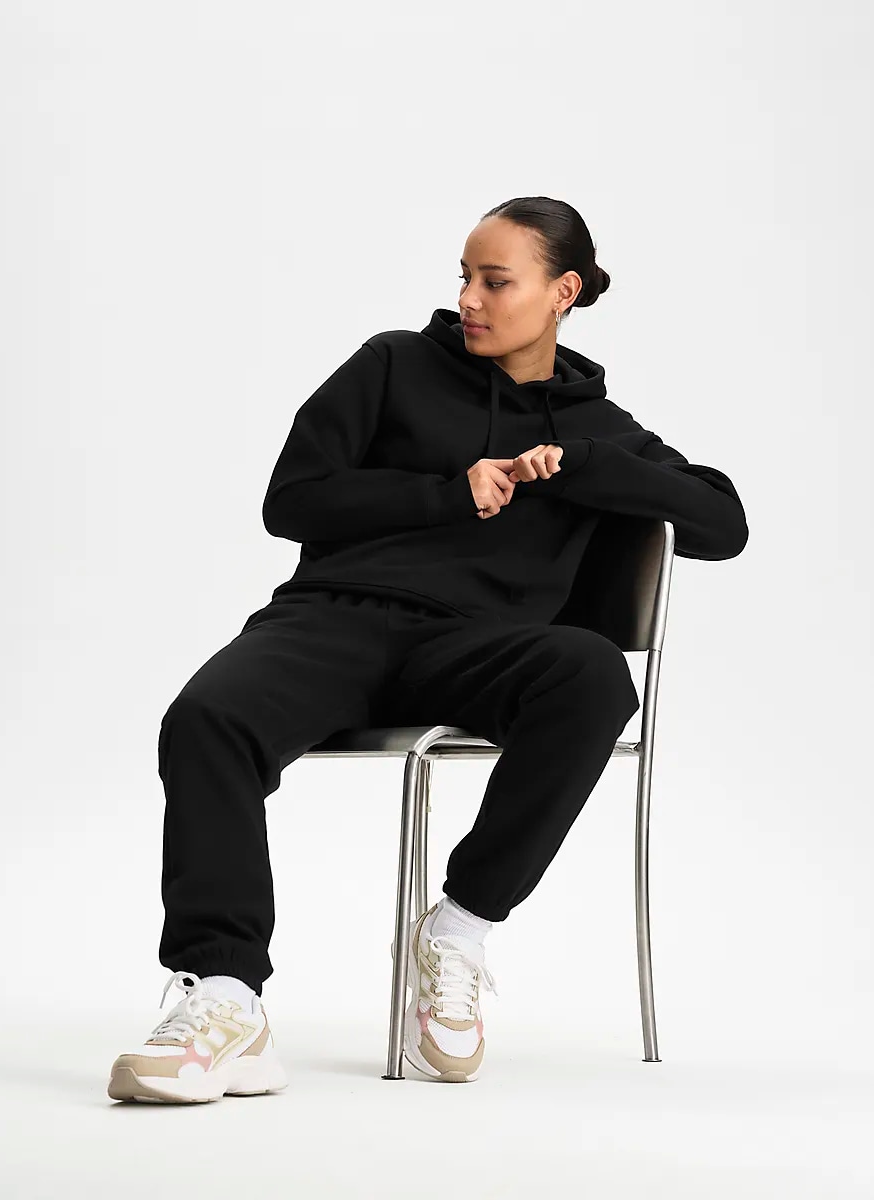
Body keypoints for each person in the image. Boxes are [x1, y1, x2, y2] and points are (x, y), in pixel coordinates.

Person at [107, 196, 749, 1102]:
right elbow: (291, 501)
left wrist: (587, 464)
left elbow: (724, 524)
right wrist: (448, 494)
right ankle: (224, 996)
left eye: (496, 281)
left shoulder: (599, 429)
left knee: (592, 675)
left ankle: (459, 928)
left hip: (475, 648)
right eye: (464, 276)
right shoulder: (392, 364)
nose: (469, 299)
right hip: (333, 621)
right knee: (206, 719)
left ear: (563, 292)